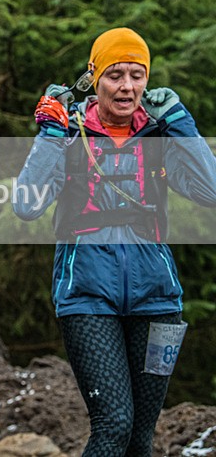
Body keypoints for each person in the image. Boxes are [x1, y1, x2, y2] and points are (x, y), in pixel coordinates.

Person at [13, 27, 216, 456]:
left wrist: (183, 123)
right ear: (94, 78)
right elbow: (26, 206)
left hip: (159, 299)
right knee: (114, 424)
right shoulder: (71, 134)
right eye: (115, 74)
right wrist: (50, 134)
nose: (127, 86)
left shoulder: (161, 134)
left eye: (137, 75)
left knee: (142, 436)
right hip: (87, 297)